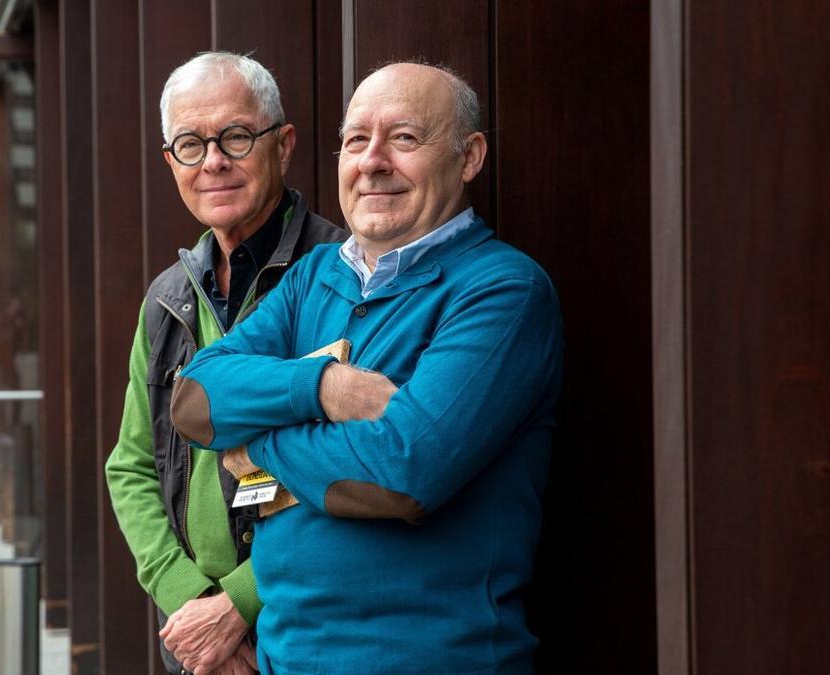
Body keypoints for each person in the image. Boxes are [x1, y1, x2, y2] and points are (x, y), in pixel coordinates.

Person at [171, 62, 564, 673]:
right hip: (285, 656)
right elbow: (196, 398)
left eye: (404, 138)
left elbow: (400, 475)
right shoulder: (313, 275)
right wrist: (322, 386)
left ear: (469, 157)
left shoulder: (503, 291)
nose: (373, 160)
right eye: (356, 140)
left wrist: (255, 445)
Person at [104, 51, 344, 675]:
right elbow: (131, 468)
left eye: (236, 136)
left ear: (283, 144)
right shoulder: (166, 299)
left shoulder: (344, 276)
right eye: (190, 143)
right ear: (170, 162)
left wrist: (239, 604)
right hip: (197, 639)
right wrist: (192, 601)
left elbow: (357, 469)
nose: (213, 160)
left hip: (306, 621)